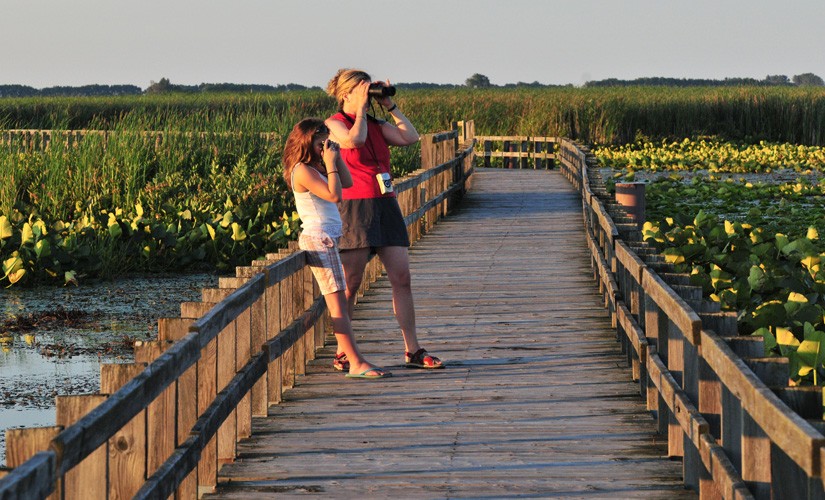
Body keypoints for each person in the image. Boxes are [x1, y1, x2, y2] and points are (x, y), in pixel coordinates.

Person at [324, 68, 443, 370]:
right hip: (355, 206)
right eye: (362, 88)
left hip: (385, 203)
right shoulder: (334, 124)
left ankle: (412, 350)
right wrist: (362, 111)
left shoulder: (376, 124)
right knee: (351, 283)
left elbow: (410, 137)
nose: (368, 93)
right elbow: (353, 142)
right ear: (346, 94)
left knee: (402, 278)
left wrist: (389, 105)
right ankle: (343, 350)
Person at [283, 117, 390, 379]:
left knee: (340, 301)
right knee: (338, 305)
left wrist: (336, 158)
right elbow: (334, 195)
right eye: (321, 143)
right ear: (307, 142)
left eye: (326, 142)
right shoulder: (302, 170)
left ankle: (353, 358)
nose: (324, 147)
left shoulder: (316, 166)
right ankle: (355, 361)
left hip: (329, 238)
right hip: (319, 238)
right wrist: (329, 164)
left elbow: (348, 182)